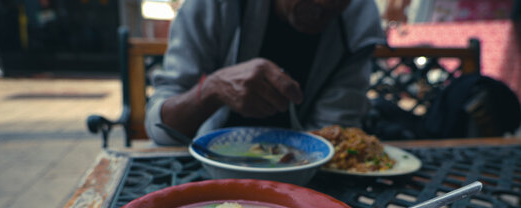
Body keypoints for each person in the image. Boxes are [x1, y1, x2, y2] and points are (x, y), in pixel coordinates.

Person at [145, 0, 386, 145]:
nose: (325, 3)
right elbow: (161, 128)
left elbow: (333, 132)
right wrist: (212, 90)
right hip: (205, 166)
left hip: (303, 177)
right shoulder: (214, 6)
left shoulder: (357, 20)